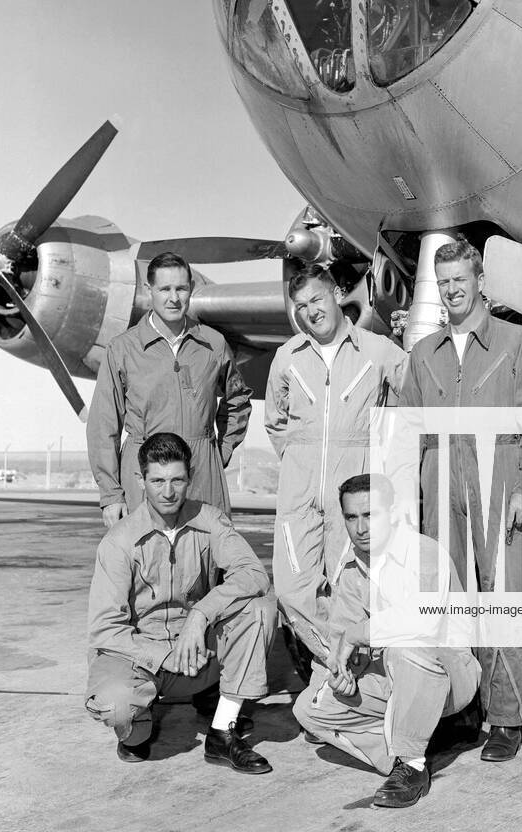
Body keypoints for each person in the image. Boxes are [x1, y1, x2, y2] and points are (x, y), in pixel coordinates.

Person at [399, 234, 522, 763]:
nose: (451, 292)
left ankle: (508, 719)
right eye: (442, 284)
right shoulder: (424, 354)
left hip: (499, 483)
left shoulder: (515, 343)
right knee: (451, 600)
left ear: (480, 281)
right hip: (441, 486)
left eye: (460, 280)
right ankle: (462, 710)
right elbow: (406, 432)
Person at [84, 432, 276, 772]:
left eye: (177, 480)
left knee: (261, 607)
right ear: (140, 480)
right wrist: (163, 656)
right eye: (157, 481)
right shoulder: (119, 542)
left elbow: (253, 574)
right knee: (116, 707)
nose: (168, 491)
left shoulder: (210, 520)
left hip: (196, 650)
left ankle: (222, 730)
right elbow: (105, 631)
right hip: (140, 657)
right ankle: (139, 724)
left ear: (190, 478)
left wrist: (201, 613)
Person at [294, 474, 481, 808]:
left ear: (393, 514)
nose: (361, 527)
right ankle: (409, 742)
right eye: (352, 517)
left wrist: (359, 633)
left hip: (449, 675)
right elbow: (339, 638)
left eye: (371, 515)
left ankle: (412, 764)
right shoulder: (351, 570)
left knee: (406, 647)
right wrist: (337, 678)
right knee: (309, 708)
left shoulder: (424, 553)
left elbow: (422, 622)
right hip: (390, 677)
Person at [264, 265, 407, 661]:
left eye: (317, 299)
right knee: (292, 591)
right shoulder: (286, 356)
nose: (311, 311)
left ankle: (335, 697)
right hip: (300, 488)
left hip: (355, 490)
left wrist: (382, 453)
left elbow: (417, 392)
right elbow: (275, 421)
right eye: (301, 305)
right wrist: (299, 460)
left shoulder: (377, 349)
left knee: (348, 591)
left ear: (337, 294)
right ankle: (339, 662)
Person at [87, 251, 252, 528]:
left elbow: (238, 399)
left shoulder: (213, 344)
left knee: (208, 561)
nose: (173, 298)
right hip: (144, 473)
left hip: (201, 475)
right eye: (165, 289)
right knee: (146, 562)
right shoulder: (123, 349)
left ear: (191, 290)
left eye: (181, 289)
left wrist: (218, 451)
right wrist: (111, 494)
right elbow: (104, 425)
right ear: (148, 290)